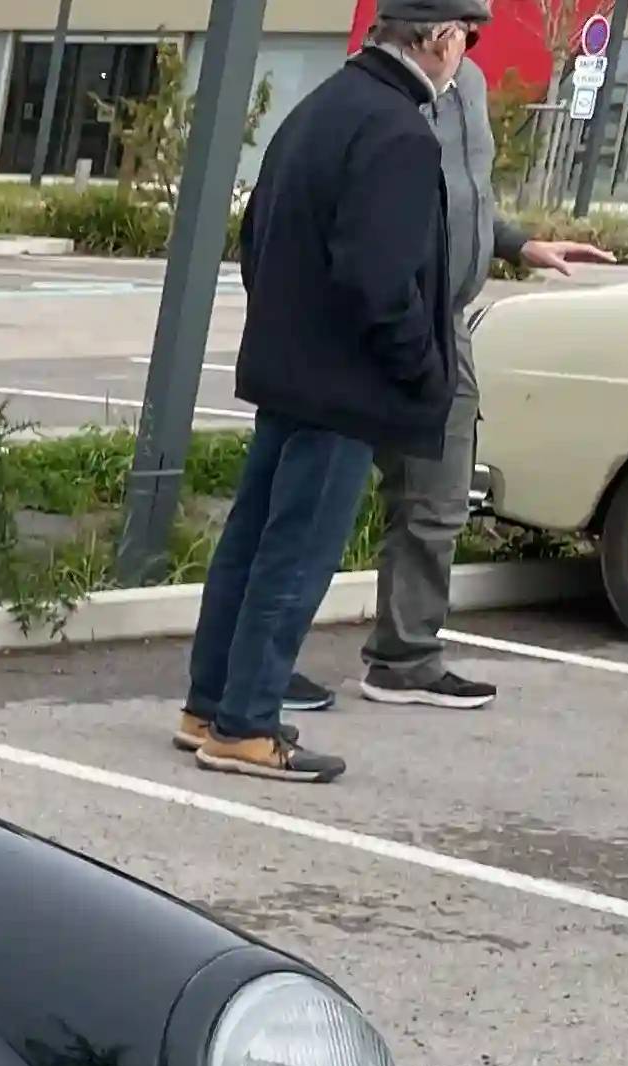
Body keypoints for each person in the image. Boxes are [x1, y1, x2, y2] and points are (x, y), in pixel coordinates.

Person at [176, 0, 479, 784]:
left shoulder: (320, 108)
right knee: (296, 557)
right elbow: (382, 280)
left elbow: (258, 241)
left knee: (249, 546)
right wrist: (420, 367)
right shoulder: (401, 132)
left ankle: (209, 705)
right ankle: (246, 725)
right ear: (441, 39)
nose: (463, 56)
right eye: (465, 39)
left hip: (288, 369)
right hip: (344, 383)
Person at [357, 22, 615, 709]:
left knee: (437, 494)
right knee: (316, 495)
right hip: (389, 315)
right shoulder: (383, 94)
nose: (469, 35)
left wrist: (520, 244)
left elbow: (466, 198)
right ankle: (260, 668)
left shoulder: (466, 84)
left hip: (448, 320)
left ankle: (404, 656)